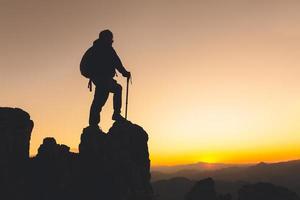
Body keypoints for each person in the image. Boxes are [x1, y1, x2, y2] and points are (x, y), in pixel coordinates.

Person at [88, 30, 131, 127]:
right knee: (104, 97)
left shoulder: (95, 48)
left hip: (100, 80)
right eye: (111, 38)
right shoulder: (106, 49)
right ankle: (115, 115)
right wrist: (125, 73)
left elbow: (116, 62)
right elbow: (117, 62)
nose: (112, 41)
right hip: (103, 80)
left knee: (99, 101)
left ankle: (93, 124)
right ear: (106, 38)